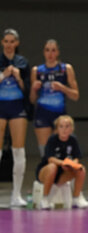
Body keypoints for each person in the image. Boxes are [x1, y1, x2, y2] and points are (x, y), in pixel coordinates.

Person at [30, 39, 79, 158]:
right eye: (47, 50)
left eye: (53, 50)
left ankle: (65, 176)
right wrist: (33, 88)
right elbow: (32, 99)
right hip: (42, 114)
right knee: (45, 152)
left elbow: (76, 95)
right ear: (43, 52)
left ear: (57, 52)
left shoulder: (65, 69)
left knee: (63, 150)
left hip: (60, 115)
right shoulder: (37, 70)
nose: (50, 53)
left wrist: (63, 88)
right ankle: (46, 176)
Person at [0, 28, 30, 207]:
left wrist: (18, 78)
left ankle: (16, 195)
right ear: (2, 43)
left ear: (17, 43)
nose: (9, 44)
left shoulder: (22, 62)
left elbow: (28, 88)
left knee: (18, 150)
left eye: (12, 41)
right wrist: (4, 75)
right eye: (6, 41)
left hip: (17, 107)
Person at [35, 115, 88, 209]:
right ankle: (45, 199)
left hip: (63, 173)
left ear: (72, 128)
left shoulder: (73, 140)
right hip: (46, 172)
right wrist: (63, 163)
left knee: (81, 169)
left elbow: (76, 157)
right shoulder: (52, 139)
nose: (64, 129)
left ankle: (76, 198)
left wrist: (72, 165)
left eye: (67, 126)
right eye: (61, 126)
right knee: (52, 166)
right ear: (56, 129)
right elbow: (50, 159)